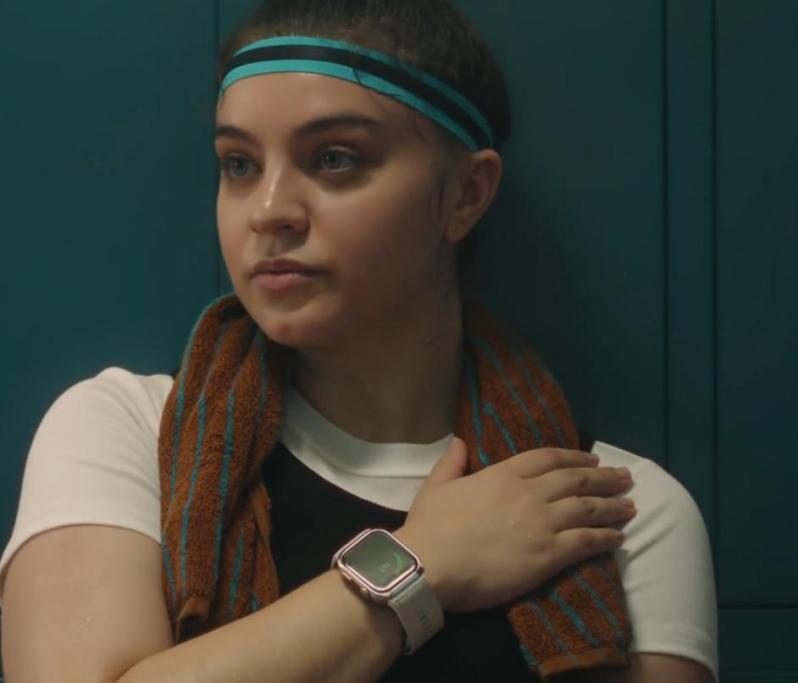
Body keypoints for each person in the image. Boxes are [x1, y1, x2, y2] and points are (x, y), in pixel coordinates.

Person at [0, 1, 717, 681]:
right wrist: (423, 562)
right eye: (239, 164)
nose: (269, 211)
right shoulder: (126, 432)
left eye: (334, 158)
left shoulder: (615, 513)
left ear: (465, 194)